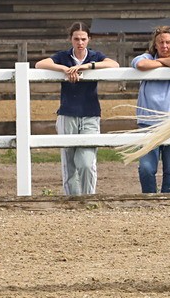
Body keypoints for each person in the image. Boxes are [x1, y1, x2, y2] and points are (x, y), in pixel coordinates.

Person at [35, 22, 119, 196]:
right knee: (69, 162)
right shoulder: (64, 56)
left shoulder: (94, 56)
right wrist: (65, 69)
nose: (80, 42)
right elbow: (40, 64)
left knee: (87, 162)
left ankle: (88, 197)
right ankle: (72, 199)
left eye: (83, 39)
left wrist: (88, 66)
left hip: (90, 114)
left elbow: (114, 64)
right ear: (70, 39)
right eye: (76, 39)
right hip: (68, 113)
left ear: (89, 39)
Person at [131, 26, 170, 193]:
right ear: (155, 44)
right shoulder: (145, 57)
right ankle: (149, 198)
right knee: (146, 168)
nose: (165, 46)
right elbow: (140, 64)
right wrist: (162, 63)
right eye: (161, 42)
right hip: (148, 122)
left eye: (168, 42)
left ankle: (168, 201)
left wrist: (157, 63)